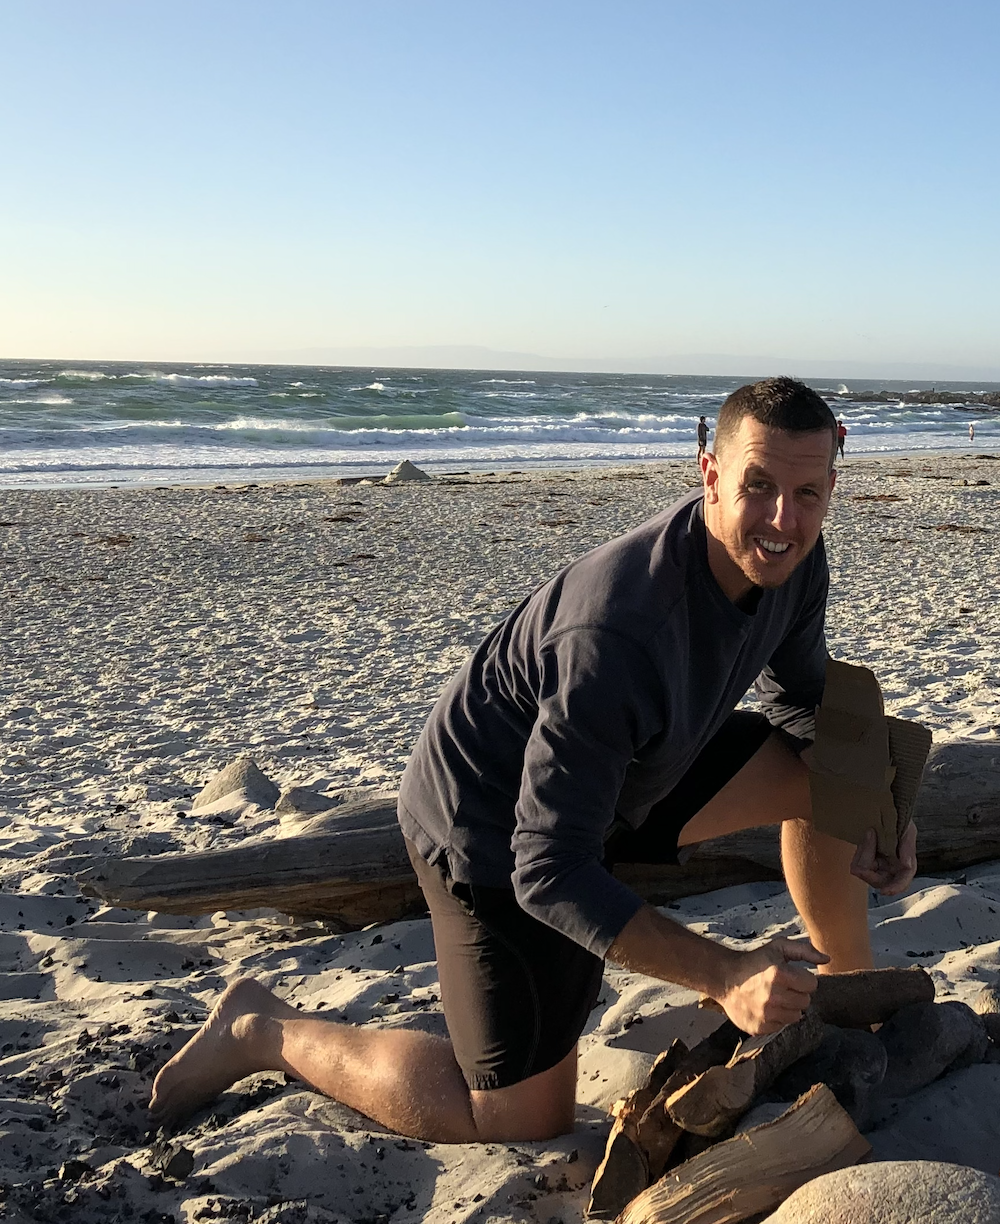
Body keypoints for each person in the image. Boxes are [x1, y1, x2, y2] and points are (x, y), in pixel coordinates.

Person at [149, 377, 918, 1144]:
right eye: (759, 485)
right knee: (517, 1120)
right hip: (489, 825)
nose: (784, 517)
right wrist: (724, 975)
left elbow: (803, 704)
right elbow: (548, 870)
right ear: (708, 472)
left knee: (832, 778)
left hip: (631, 776)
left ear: (830, 487)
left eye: (807, 492)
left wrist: (882, 811)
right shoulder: (617, 634)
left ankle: (850, 991)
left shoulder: (791, 557)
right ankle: (263, 1030)